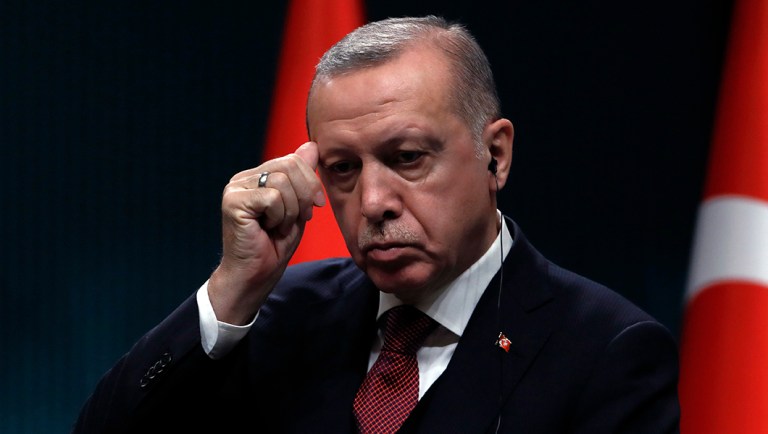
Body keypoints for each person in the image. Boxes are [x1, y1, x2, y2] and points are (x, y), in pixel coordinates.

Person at [72, 15, 680, 433]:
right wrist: (233, 287)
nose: (373, 202)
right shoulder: (278, 317)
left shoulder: (607, 350)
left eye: (407, 157)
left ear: (494, 155)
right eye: (342, 168)